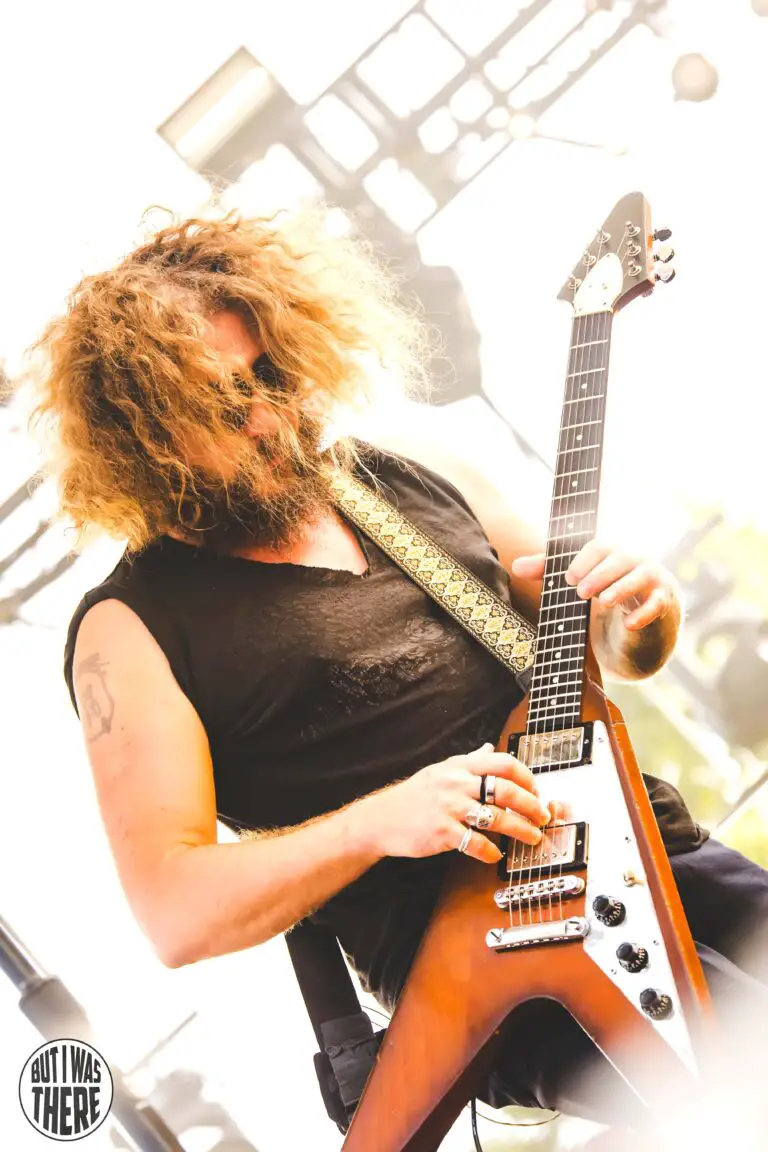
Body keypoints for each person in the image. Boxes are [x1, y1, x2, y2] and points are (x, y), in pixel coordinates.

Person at [25, 208, 768, 1128]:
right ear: (148, 439)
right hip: (490, 965)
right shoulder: (130, 629)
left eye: (271, 374)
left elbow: (595, 655)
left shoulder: (407, 468)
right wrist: (380, 821)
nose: (267, 416)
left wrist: (642, 618)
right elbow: (175, 912)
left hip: (652, 850)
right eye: (221, 404)